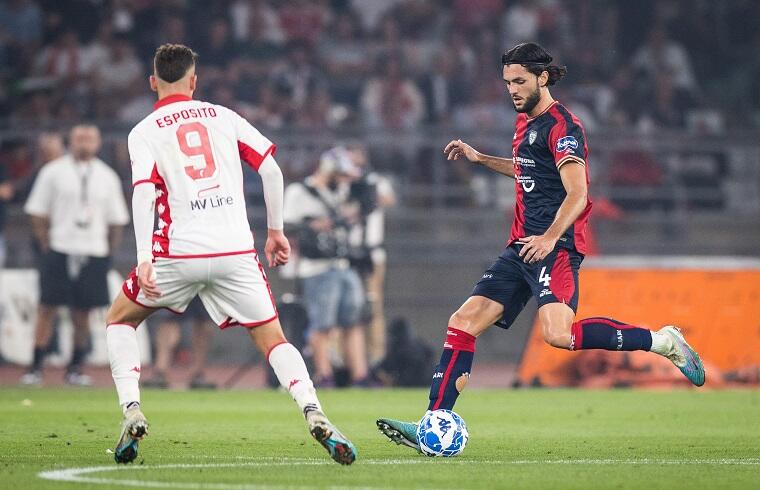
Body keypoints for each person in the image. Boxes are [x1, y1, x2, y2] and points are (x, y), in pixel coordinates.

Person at [376, 42, 705, 451]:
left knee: (558, 335)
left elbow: (579, 193)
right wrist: (480, 158)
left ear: (542, 77)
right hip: (520, 248)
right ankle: (433, 421)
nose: (511, 89)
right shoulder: (525, 124)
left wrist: (549, 237)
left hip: (555, 247)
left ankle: (662, 341)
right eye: (506, 82)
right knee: (462, 321)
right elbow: (526, 168)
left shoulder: (562, 126)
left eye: (519, 81)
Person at [105, 44, 355, 465]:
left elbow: (144, 192)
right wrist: (275, 231)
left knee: (119, 319)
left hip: (176, 253)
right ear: (194, 81)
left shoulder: (144, 131)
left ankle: (132, 409)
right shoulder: (223, 115)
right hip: (236, 253)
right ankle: (313, 410)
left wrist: (144, 257)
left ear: (153, 83)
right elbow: (271, 170)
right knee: (273, 340)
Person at [20, 125, 130, 386]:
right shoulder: (53, 172)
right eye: (80, 138)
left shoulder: (107, 176)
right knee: (47, 308)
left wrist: (108, 250)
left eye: (90, 139)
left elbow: (117, 220)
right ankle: (35, 366)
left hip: (94, 249)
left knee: (84, 313)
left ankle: (75, 367)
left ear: (99, 143)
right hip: (60, 246)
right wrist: (46, 243)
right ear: (71, 140)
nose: (85, 143)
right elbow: (37, 211)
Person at [283, 147, 369, 387]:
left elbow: (365, 203)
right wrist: (314, 225)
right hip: (316, 267)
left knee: (353, 321)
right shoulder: (300, 191)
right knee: (322, 324)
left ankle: (360, 376)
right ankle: (324, 375)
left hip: (343, 263)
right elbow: (287, 225)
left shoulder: (340, 193)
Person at [143, 297, 217, 389]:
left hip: (204, 285)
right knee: (168, 318)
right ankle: (160, 372)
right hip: (177, 283)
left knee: (204, 321)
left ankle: (198, 373)